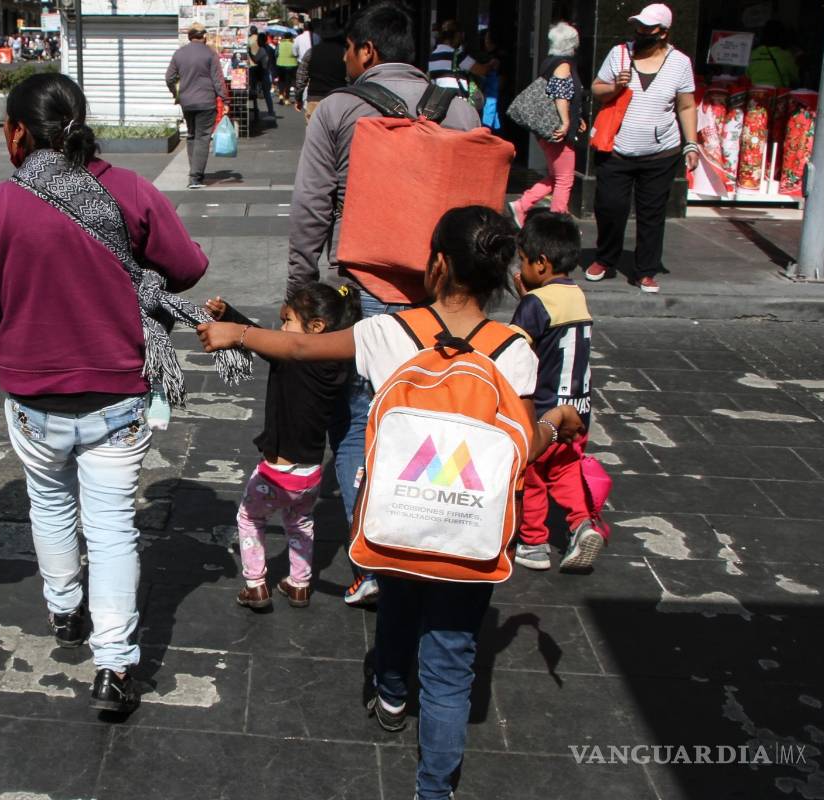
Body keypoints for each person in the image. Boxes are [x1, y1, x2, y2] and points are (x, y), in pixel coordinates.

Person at [197, 207, 584, 800]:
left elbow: (299, 348)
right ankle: (435, 790)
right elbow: (522, 448)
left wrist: (236, 333)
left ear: (437, 265)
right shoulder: (515, 349)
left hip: (399, 515)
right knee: (452, 660)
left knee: (399, 605)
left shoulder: (389, 333)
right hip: (471, 531)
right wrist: (555, 423)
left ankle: (392, 695)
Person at [0, 72, 211, 715]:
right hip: (119, 395)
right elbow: (189, 267)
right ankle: (115, 667)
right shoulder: (131, 190)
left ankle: (65, 611)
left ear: (17, 133)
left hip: (33, 399)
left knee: (49, 503)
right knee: (112, 529)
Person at [287, 1, 480, 607]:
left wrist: (300, 289)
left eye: (348, 50)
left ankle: (372, 562)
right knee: (434, 419)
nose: (345, 60)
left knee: (357, 424)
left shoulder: (339, 109)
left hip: (366, 290)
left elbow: (312, 206)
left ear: (366, 51)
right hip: (445, 298)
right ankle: (430, 548)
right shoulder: (460, 109)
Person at [205, 285, 358, 610]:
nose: (281, 330)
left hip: (274, 474)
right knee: (300, 524)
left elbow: (256, 338)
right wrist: (230, 315)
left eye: (287, 321)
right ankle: (299, 584)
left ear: (316, 327)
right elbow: (262, 337)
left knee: (249, 519)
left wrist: (230, 316)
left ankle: (256, 585)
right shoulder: (338, 364)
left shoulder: (292, 361)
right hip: (310, 476)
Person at [509, 210, 604, 572]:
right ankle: (581, 525)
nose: (521, 267)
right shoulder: (576, 295)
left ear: (541, 263)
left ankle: (533, 543)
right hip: (579, 411)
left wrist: (524, 303)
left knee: (532, 474)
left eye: (523, 260)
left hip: (545, 412)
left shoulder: (535, 304)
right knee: (566, 470)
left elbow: (517, 349)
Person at [586, 3, 698, 294]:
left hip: (662, 152)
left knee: (652, 213)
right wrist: (615, 87)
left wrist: (691, 144)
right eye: (638, 26)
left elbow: (686, 106)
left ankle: (646, 270)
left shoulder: (680, 63)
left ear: (663, 32)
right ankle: (605, 258)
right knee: (610, 206)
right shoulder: (619, 53)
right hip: (616, 148)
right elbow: (597, 88)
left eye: (647, 28)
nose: (640, 31)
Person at [510, 22, 586, 223]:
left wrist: (576, 118)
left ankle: (522, 204)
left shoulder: (550, 62)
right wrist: (566, 122)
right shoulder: (563, 65)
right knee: (564, 179)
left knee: (555, 176)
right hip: (557, 130)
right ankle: (556, 222)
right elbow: (561, 95)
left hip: (549, 129)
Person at [165, 22, 230, 190]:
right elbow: (218, 80)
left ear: (189, 36)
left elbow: (169, 78)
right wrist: (225, 100)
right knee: (203, 137)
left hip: (187, 102)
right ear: (204, 36)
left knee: (192, 136)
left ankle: (194, 171)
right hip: (206, 102)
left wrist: (176, 93)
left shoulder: (179, 54)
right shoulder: (210, 54)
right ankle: (195, 178)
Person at [294, 19, 347, 123]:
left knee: (314, 131)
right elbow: (350, 77)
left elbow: (301, 77)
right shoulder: (344, 52)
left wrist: (298, 98)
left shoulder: (311, 52)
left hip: (315, 98)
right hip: (338, 99)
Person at [747, 20, 799, 88]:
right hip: (777, 93)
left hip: (756, 92)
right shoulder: (785, 55)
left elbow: (747, 75)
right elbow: (795, 77)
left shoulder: (753, 53)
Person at [250, 32, 276, 120]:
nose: (257, 42)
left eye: (258, 40)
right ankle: (270, 112)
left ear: (261, 40)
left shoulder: (262, 49)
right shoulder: (269, 48)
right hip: (268, 72)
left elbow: (255, 60)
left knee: (266, 93)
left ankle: (270, 113)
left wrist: (249, 53)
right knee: (267, 93)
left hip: (263, 73)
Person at [275, 32, 298, 104]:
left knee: (281, 81)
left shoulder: (280, 44)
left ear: (284, 37)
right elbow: (296, 54)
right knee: (288, 82)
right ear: (291, 37)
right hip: (291, 65)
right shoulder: (293, 44)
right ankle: (287, 99)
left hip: (280, 64)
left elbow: (276, 54)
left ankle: (281, 96)